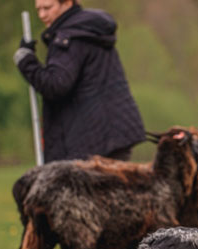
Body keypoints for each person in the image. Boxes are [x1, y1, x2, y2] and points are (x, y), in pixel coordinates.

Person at [13, 0, 145, 163]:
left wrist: (26, 61)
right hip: (112, 136)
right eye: (38, 9)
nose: (42, 15)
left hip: (93, 144)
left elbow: (55, 85)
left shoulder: (70, 37)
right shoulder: (90, 31)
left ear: (67, 3)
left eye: (47, 8)